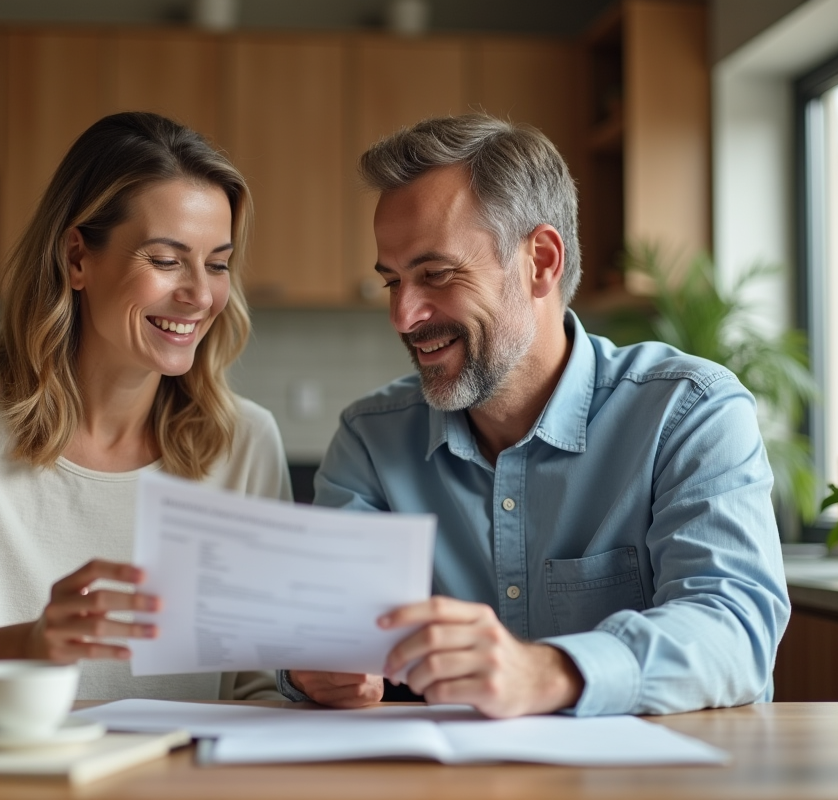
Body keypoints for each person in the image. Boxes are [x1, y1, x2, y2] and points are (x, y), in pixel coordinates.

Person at [279, 114, 790, 718]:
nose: (403, 315)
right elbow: (326, 627)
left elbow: (734, 630)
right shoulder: (371, 438)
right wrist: (317, 665)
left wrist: (549, 672)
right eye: (393, 281)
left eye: (435, 275)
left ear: (541, 261)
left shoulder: (688, 412)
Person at [0, 112, 292, 705]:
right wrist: (27, 648)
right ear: (77, 258)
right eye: (165, 260)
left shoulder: (245, 444)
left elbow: (260, 687)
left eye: (216, 263)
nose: (200, 295)